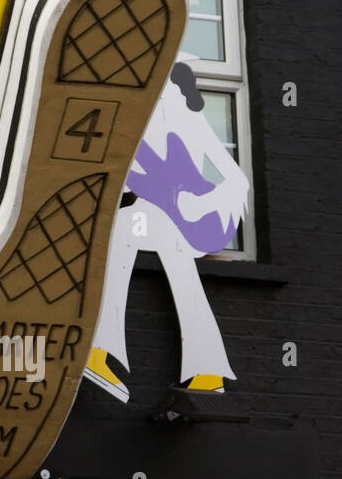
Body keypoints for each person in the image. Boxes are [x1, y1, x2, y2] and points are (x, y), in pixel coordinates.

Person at [85, 60, 251, 402]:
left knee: (131, 229)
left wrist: (201, 205)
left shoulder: (192, 124)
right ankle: (206, 371)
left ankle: (100, 351)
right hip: (162, 221)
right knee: (134, 225)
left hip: (198, 222)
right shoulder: (138, 138)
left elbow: (236, 180)